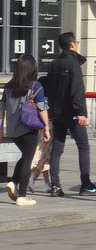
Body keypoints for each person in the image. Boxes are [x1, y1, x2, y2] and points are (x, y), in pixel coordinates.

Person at [45, 31, 96, 197]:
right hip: (72, 113)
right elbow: (77, 90)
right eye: (76, 42)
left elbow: (49, 88)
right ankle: (86, 185)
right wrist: (81, 112)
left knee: (57, 149)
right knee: (83, 147)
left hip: (56, 112)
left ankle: (55, 186)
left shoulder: (54, 63)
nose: (77, 44)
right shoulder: (73, 64)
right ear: (72, 45)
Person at [1, 54, 51, 207]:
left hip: (13, 129)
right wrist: (46, 128)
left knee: (24, 156)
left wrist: (0, 128)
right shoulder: (36, 86)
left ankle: (14, 182)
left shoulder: (9, 86)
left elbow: (1, 108)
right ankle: (22, 196)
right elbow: (42, 109)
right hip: (29, 128)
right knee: (28, 159)